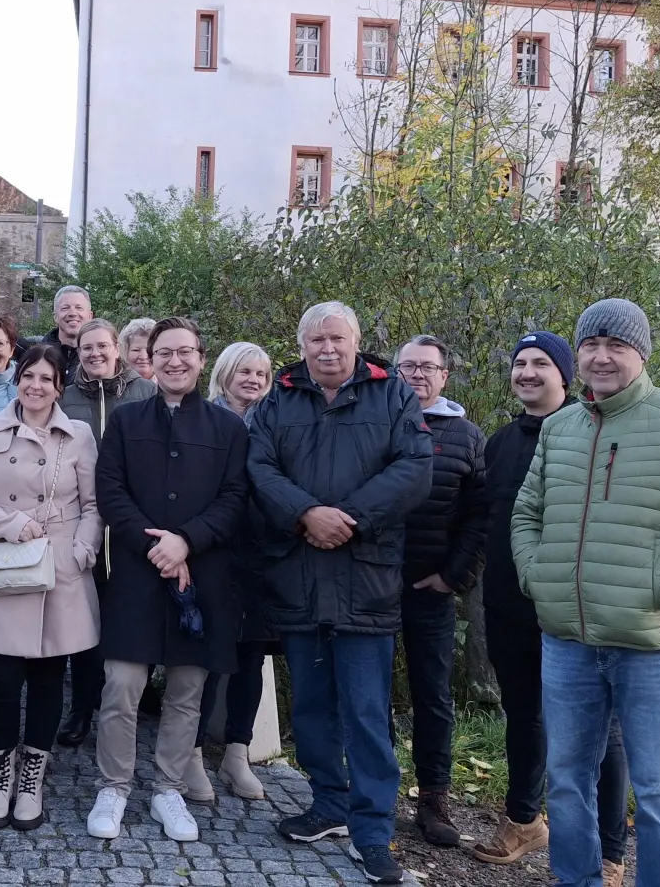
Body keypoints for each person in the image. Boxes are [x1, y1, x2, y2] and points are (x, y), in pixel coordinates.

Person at [513, 299, 660, 887]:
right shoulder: (560, 426)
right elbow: (527, 514)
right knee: (566, 780)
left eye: (617, 345)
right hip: (568, 640)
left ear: (641, 353)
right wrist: (538, 576)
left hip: (654, 644)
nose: (602, 356)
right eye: (591, 344)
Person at [247, 301, 431, 886]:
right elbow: (258, 468)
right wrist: (305, 514)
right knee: (311, 705)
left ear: (356, 343)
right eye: (316, 339)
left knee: (367, 711)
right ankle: (328, 802)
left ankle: (372, 829)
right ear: (301, 345)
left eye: (337, 339)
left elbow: (415, 468)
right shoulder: (278, 398)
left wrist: (346, 517)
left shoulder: (393, 395)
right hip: (298, 570)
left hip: (364, 573)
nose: (327, 349)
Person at [473, 331, 631, 878]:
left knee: (600, 730)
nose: (528, 372)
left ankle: (609, 853)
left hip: (576, 606)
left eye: (542, 363)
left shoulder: (592, 433)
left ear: (566, 374)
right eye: (520, 363)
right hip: (507, 605)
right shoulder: (499, 442)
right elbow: (486, 521)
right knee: (523, 715)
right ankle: (523, 820)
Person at [88, 318, 248, 843]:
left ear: (202, 359)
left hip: (201, 576)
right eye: (164, 353)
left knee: (186, 690)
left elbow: (234, 499)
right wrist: (157, 545)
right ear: (148, 361)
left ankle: (167, 788)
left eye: (185, 352)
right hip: (136, 572)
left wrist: (188, 542)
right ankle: (113, 785)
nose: (175, 362)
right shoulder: (127, 421)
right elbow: (109, 491)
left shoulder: (229, 430)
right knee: (122, 686)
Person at [0, 344, 103, 831]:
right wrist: (10, 525)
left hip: (60, 569)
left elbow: (93, 504)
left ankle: (32, 776)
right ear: (17, 380)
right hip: (9, 562)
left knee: (47, 681)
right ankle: (2, 773)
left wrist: (81, 553)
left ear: (59, 385)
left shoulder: (78, 434)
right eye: (28, 376)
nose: (35, 385)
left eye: (46, 378)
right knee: (1, 680)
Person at [390, 334, 487, 847]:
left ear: (445, 375)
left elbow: (479, 515)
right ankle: (377, 792)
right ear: (395, 372)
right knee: (368, 696)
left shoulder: (467, 435)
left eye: (428, 368)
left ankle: (433, 798)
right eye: (408, 367)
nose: (418, 375)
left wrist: (454, 576)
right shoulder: (377, 422)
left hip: (432, 589)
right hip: (373, 584)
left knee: (432, 697)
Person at [55, 318, 156, 749]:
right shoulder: (67, 395)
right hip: (84, 521)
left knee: (135, 615)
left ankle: (131, 704)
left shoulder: (145, 392)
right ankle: (81, 707)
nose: (95, 354)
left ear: (117, 349)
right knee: (85, 622)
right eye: (86, 348)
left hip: (133, 521)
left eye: (102, 346)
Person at [196, 341, 278, 801]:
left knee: (251, 658)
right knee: (207, 658)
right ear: (224, 374)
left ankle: (237, 753)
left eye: (261, 374)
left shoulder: (275, 424)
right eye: (244, 371)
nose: (252, 380)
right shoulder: (204, 420)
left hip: (261, 555)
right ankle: (189, 752)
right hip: (212, 550)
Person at [39, 285, 94, 381]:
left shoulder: (100, 356)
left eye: (79, 308)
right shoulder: (39, 355)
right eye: (65, 308)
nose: (72, 313)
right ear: (55, 317)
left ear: (90, 316)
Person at [118, 318, 157, 382]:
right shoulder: (115, 387)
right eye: (136, 350)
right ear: (125, 351)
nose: (143, 357)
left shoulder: (171, 387)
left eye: (149, 350)